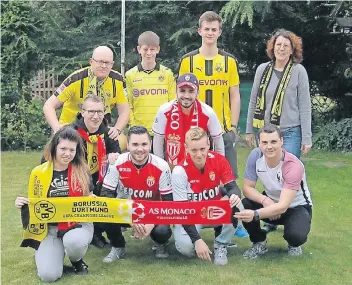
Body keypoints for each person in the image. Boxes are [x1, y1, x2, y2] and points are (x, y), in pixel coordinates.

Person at [245, 29, 312, 233]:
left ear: (292, 50)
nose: (281, 49)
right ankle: (270, 218)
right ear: (272, 48)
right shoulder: (262, 70)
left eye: (286, 46)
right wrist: (249, 130)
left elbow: (305, 105)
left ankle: (289, 215)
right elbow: (254, 101)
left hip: (291, 132)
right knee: (268, 174)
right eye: (278, 45)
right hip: (266, 132)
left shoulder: (298, 71)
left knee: (285, 176)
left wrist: (306, 137)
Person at [15, 126, 94, 282]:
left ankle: (76, 260)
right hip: (49, 228)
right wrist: (21, 202)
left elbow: (90, 197)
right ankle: (51, 256)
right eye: (63, 148)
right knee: (48, 276)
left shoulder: (82, 170)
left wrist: (96, 201)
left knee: (73, 242)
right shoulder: (39, 172)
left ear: (77, 151)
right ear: (54, 148)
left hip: (77, 224)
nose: (67, 153)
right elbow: (35, 201)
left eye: (72, 150)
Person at [234, 125, 313, 259]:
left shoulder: (292, 165)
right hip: (270, 202)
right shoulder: (255, 155)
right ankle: (259, 242)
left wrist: (256, 214)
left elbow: (282, 206)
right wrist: (266, 201)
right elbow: (247, 188)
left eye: (273, 142)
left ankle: (293, 244)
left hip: (296, 207)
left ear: (282, 141)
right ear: (259, 143)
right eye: (264, 142)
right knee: (244, 204)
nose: (269, 147)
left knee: (296, 236)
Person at [178, 11, 241, 179]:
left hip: (223, 129)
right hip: (194, 131)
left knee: (228, 179)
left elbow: (234, 95)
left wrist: (233, 127)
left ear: (219, 32)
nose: (210, 33)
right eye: (207, 29)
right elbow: (180, 97)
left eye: (214, 29)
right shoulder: (187, 61)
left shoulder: (229, 61)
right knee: (193, 178)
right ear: (199, 31)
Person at [100, 126, 173, 262]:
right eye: (135, 144)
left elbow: (169, 202)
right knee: (105, 213)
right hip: (126, 211)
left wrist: (150, 224)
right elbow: (106, 197)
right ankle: (118, 246)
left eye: (144, 144)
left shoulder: (161, 166)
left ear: (150, 144)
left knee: (162, 231)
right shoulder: (117, 163)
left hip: (153, 212)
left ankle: (160, 243)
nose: (140, 149)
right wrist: (130, 218)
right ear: (127, 145)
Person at [172, 127, 242, 266]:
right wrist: (197, 240)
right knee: (186, 248)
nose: (199, 154)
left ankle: (221, 244)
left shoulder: (219, 160)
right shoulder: (179, 171)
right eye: (194, 150)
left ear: (208, 144)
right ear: (186, 148)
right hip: (190, 215)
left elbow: (233, 187)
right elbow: (182, 212)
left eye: (202, 149)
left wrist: (234, 195)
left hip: (212, 211)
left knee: (238, 204)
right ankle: (193, 240)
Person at [43, 45, 129, 140]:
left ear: (112, 64)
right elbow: (49, 105)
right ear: (91, 61)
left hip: (100, 130)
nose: (104, 66)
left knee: (122, 140)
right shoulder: (75, 79)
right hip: (72, 130)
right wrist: (57, 128)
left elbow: (124, 111)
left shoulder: (118, 81)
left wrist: (117, 129)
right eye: (100, 62)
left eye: (107, 63)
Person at [72, 94, 121, 248]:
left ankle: (100, 232)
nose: (96, 116)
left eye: (99, 112)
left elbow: (117, 151)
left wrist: (115, 155)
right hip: (75, 176)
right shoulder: (71, 133)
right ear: (82, 112)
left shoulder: (108, 132)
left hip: (99, 176)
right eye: (91, 112)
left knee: (107, 193)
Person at [152, 73, 224, 167]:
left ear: (197, 93)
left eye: (191, 91)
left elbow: (218, 143)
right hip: (172, 167)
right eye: (182, 91)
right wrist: (161, 168)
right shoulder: (164, 111)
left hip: (199, 167)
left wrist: (219, 167)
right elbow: (158, 142)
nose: (186, 96)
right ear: (176, 91)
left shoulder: (208, 113)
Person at [126, 31, 176, 139]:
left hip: (163, 131)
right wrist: (134, 126)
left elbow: (173, 103)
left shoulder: (167, 73)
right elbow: (129, 104)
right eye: (145, 49)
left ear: (158, 49)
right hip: (140, 132)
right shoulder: (130, 75)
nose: (148, 53)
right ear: (139, 49)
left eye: (152, 49)